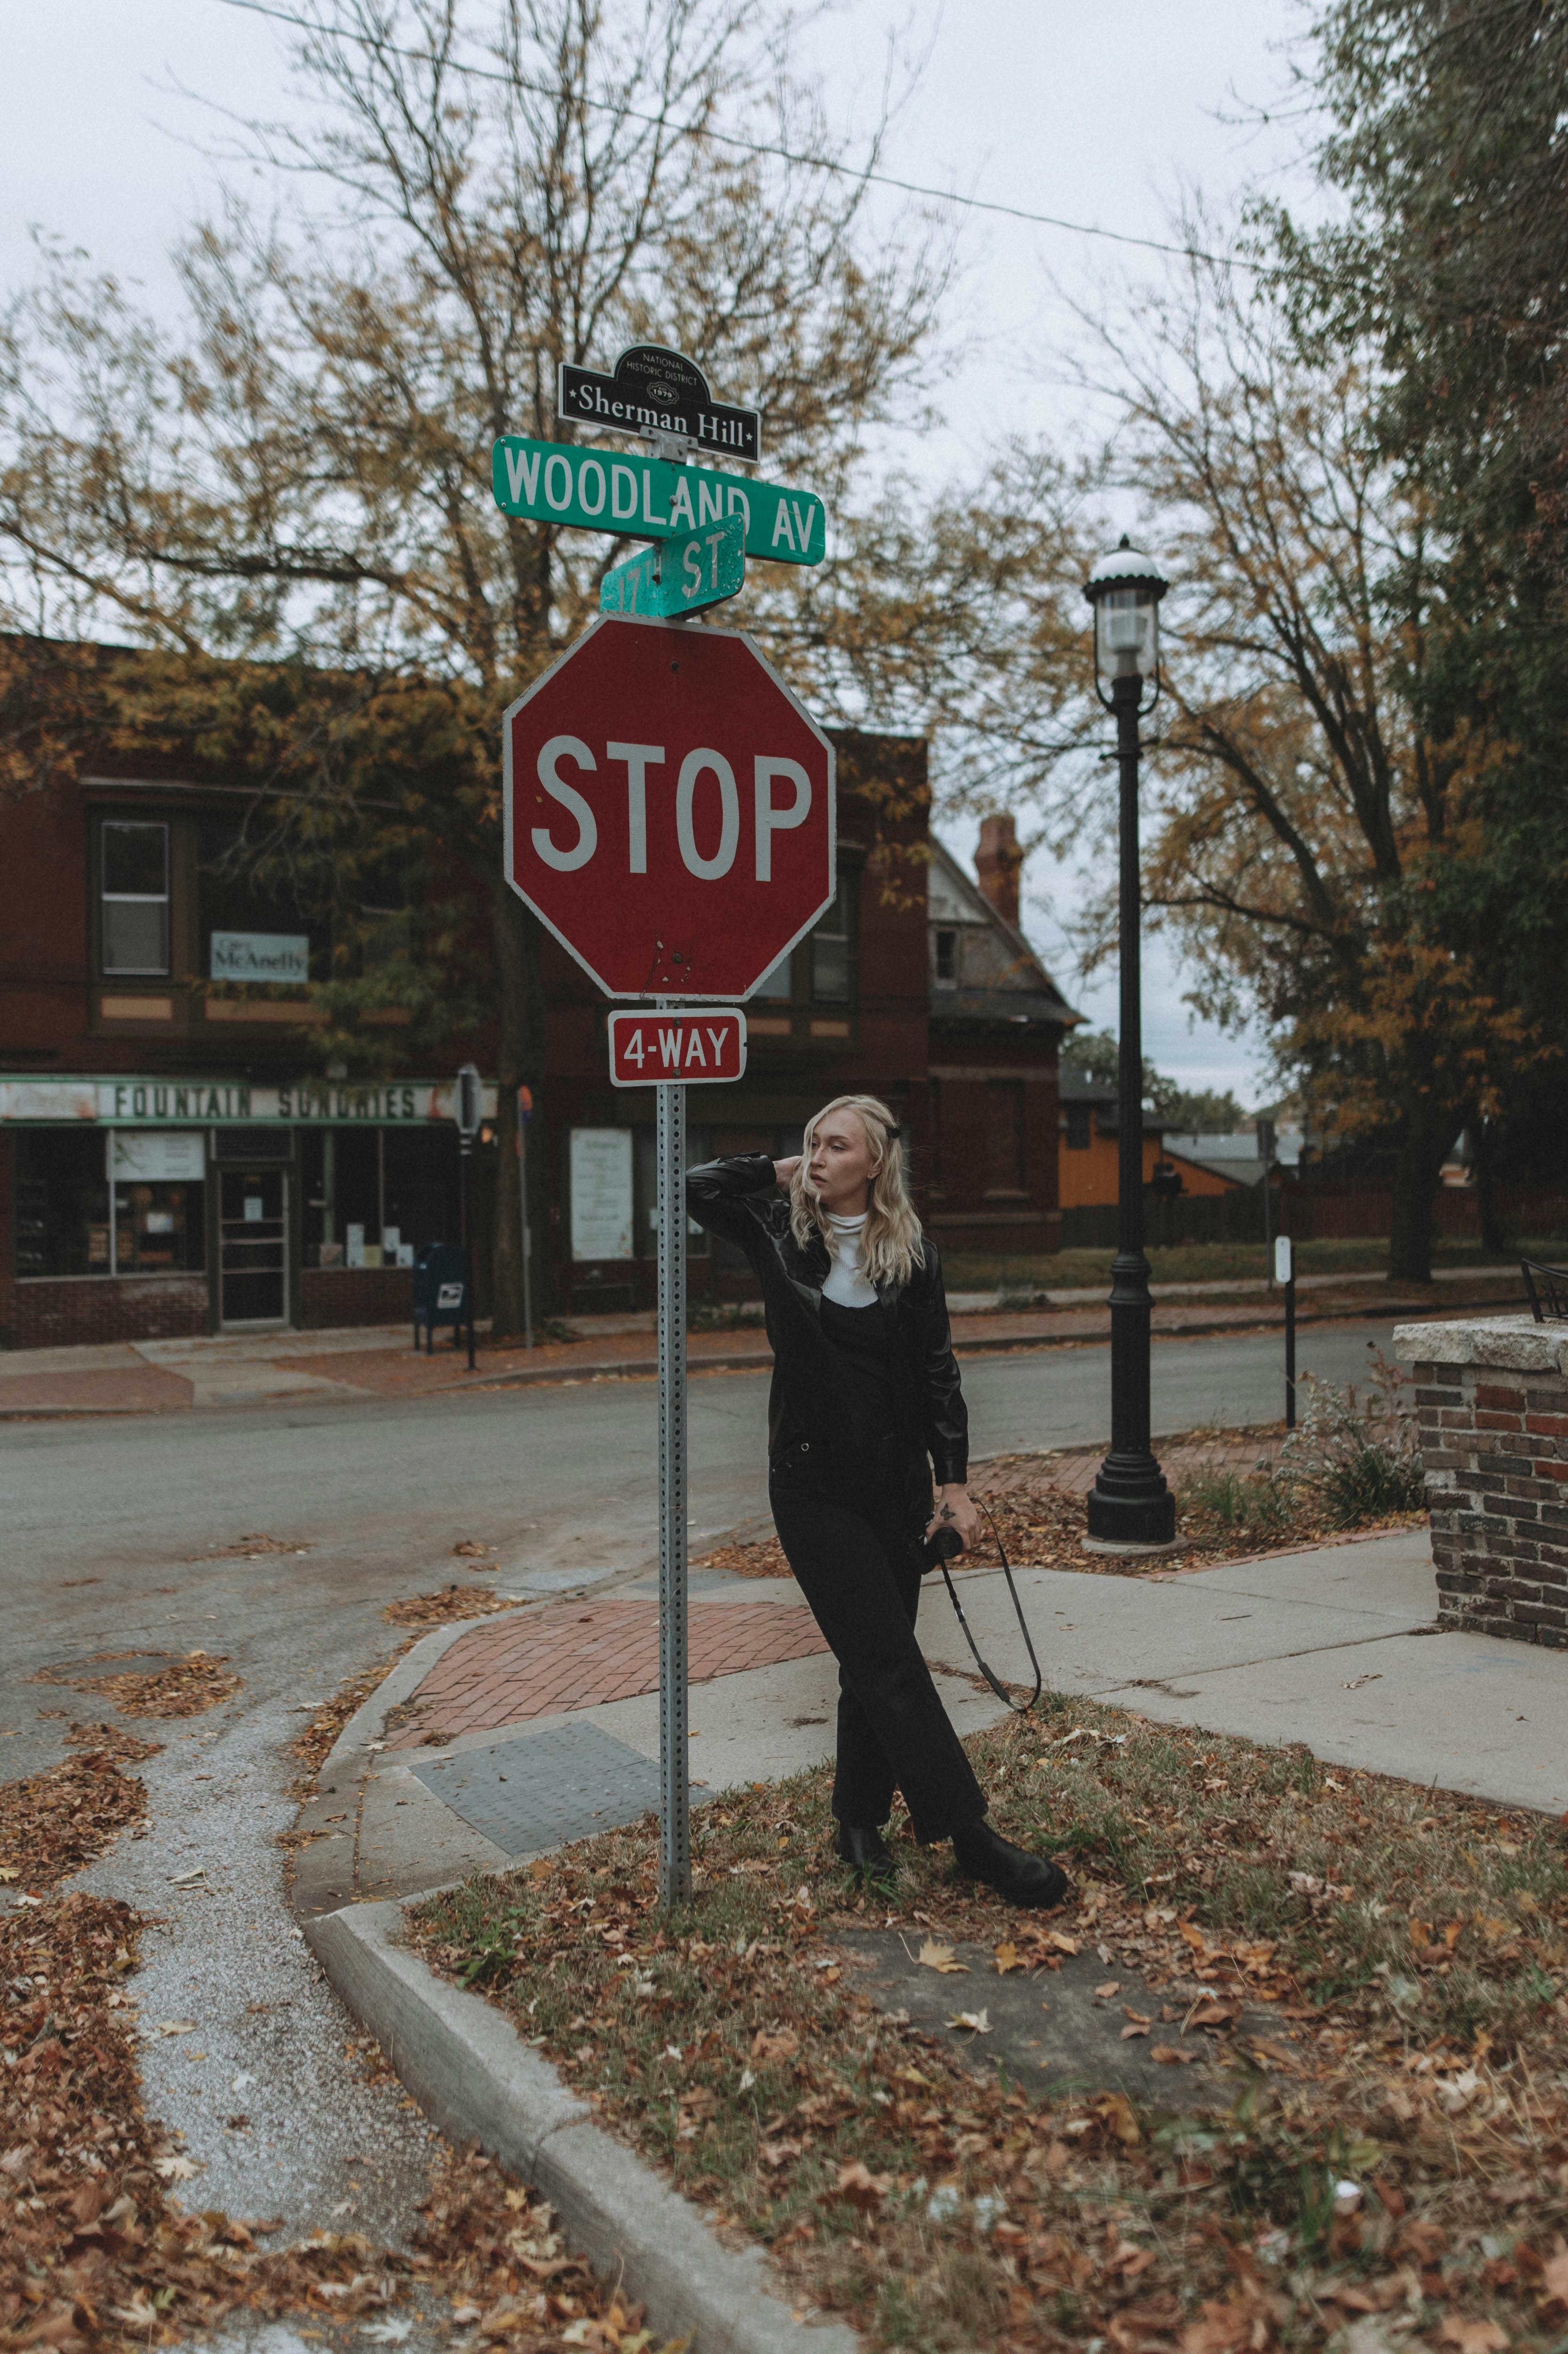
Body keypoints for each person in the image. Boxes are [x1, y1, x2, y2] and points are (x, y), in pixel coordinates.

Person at [687, 1094, 1070, 1908]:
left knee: (873, 1657)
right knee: (891, 1662)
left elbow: (939, 1376)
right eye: (812, 1143)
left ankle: (857, 1826)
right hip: (813, 1487)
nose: (821, 1156)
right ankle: (970, 1836)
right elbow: (696, 1189)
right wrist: (779, 1171)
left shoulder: (914, 1255)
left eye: (837, 1145)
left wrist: (954, 1488)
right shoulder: (783, 1237)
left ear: (876, 1163)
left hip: (896, 1491)